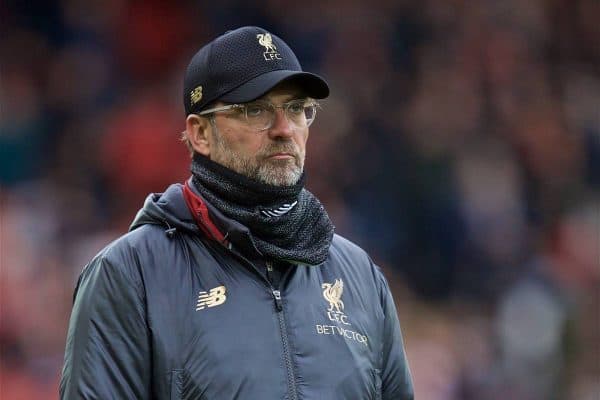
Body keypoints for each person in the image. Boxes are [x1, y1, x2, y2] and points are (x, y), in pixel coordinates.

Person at [60, 26, 414, 400]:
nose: (284, 129)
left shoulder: (359, 275)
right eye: (255, 110)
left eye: (296, 109)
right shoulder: (130, 275)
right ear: (200, 134)